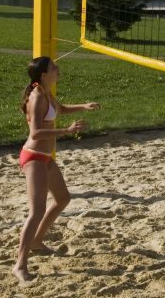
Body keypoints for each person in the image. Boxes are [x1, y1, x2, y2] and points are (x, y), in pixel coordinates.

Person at [12, 56, 100, 282]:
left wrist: (84, 106)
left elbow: (60, 109)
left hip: (45, 157)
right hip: (34, 157)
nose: (58, 69)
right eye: (53, 67)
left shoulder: (46, 91)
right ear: (43, 74)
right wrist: (66, 131)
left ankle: (36, 241)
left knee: (63, 198)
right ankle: (20, 265)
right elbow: (35, 133)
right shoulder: (37, 96)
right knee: (36, 211)